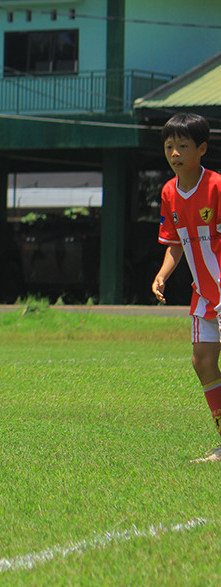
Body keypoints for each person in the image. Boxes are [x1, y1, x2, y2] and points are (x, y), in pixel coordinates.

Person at [151, 112, 221, 463]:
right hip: (203, 295)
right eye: (168, 146)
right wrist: (163, 274)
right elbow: (174, 243)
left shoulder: (218, 186)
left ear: (202, 149)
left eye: (182, 146)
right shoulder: (168, 192)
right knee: (202, 362)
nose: (174, 153)